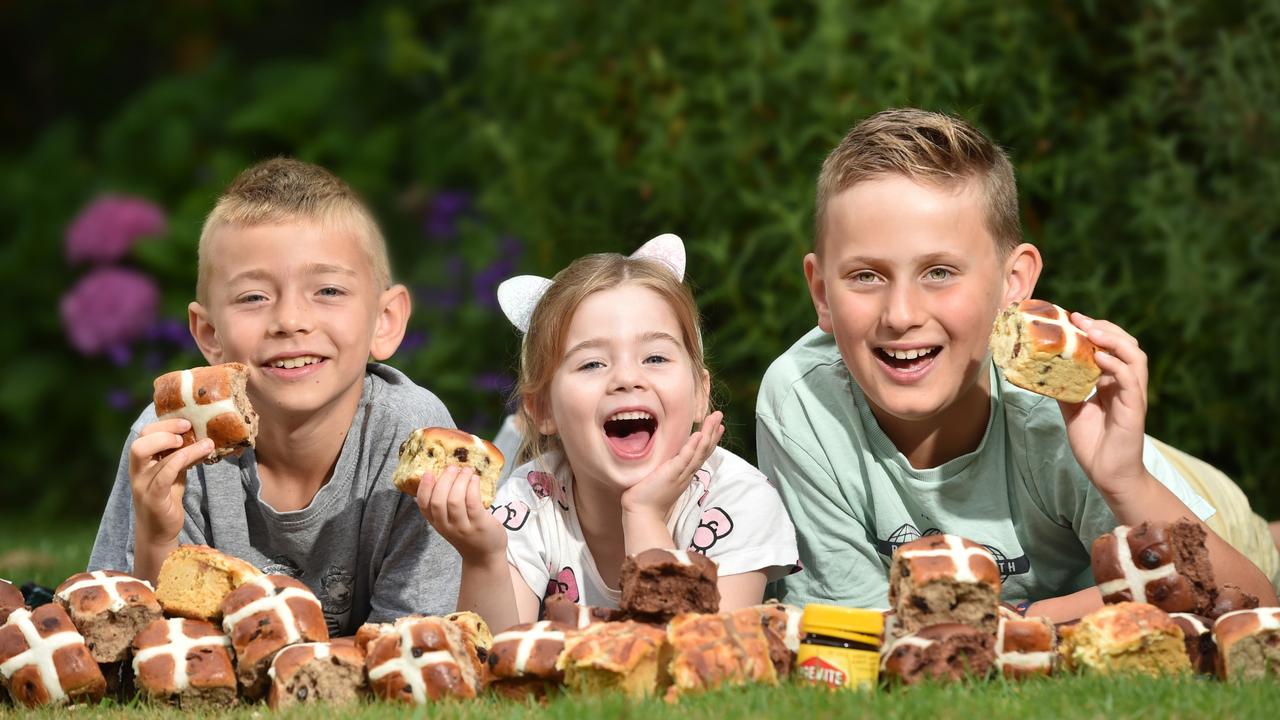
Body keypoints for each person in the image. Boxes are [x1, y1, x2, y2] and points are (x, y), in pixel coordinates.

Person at [756, 108, 1278, 620]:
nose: (901, 315)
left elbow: (1250, 601)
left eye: (939, 272)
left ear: (1013, 283)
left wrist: (1124, 479)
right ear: (822, 292)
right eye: (866, 276)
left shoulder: (1057, 404)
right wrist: (1038, 617)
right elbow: (859, 624)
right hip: (1091, 583)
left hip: (1187, 500)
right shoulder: (802, 400)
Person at [89, 158, 461, 634]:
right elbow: (139, 652)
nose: (290, 319)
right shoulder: (170, 442)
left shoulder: (416, 436)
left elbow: (414, 642)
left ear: (385, 321)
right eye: (253, 297)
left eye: (327, 290)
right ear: (209, 333)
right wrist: (157, 539)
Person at [416, 235, 799, 631]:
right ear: (542, 409)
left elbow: (701, 666)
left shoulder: (738, 499)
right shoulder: (530, 500)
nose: (627, 378)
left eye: (655, 357)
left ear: (700, 393)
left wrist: (645, 514)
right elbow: (494, 664)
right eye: (592, 364)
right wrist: (484, 559)